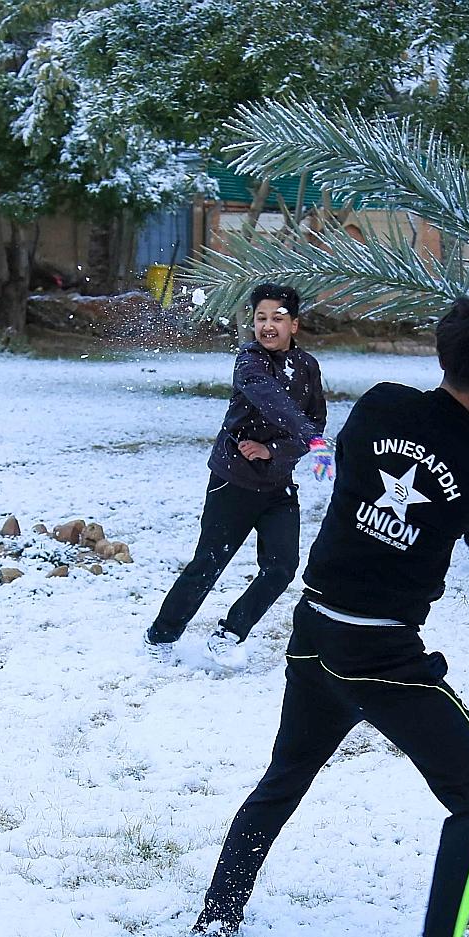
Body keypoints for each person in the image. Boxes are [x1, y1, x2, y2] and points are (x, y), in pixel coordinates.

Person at [191, 293, 469, 937]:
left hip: (314, 627)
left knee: (285, 775)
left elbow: (355, 471)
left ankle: (217, 916)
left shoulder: (380, 404)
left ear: (444, 353)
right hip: (380, 653)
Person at [144, 283, 328, 668]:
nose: (267, 326)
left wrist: (275, 450)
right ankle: (159, 636)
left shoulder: (308, 367)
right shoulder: (249, 361)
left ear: (294, 324)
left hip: (278, 485)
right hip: (234, 481)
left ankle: (229, 634)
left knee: (281, 568)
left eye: (277, 318)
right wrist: (309, 438)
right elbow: (272, 402)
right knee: (208, 563)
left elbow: (315, 422)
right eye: (261, 318)